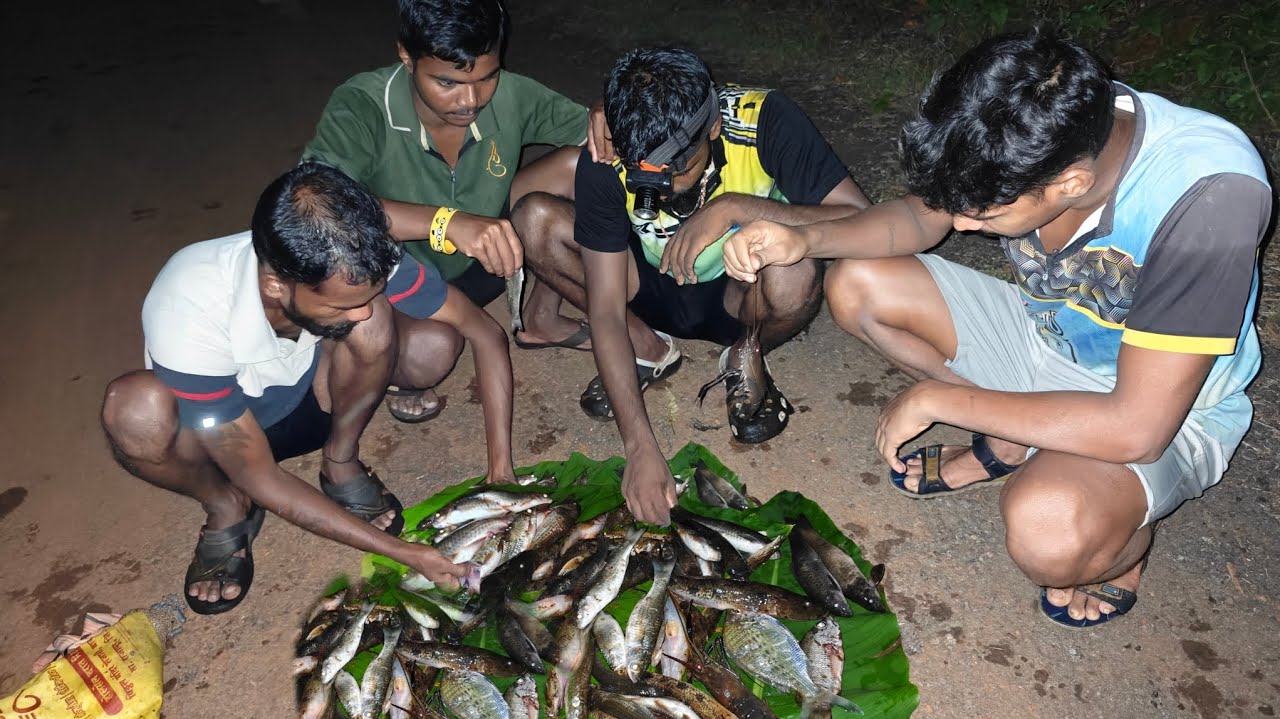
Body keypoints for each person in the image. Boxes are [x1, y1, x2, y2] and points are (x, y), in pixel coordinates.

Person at [722, 28, 1271, 628]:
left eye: (980, 216)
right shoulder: (1030, 119)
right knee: (856, 284)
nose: (959, 224)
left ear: (1071, 185)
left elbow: (1136, 427)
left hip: (1165, 405)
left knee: (1048, 531)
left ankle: (1118, 553)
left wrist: (950, 398)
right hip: (1045, 336)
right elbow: (916, 218)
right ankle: (1016, 435)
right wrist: (803, 237)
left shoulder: (1209, 196)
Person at [99, 162, 520, 614]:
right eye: (341, 304)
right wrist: (404, 552)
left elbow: (483, 332)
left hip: (312, 400)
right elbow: (257, 472)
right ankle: (224, 507)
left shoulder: (358, 259)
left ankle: (340, 459)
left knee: (379, 321)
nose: (356, 311)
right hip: (215, 439)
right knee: (134, 411)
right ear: (275, 285)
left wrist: (501, 472)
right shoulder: (187, 304)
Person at [511, 47, 871, 524]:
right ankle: (649, 348)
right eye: (646, 177)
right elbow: (603, 309)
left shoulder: (765, 119)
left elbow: (859, 218)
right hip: (645, 289)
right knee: (534, 219)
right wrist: (639, 445)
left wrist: (736, 208)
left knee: (796, 267)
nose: (664, 191)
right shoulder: (614, 145)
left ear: (714, 126)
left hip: (740, 294)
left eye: (680, 169)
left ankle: (745, 351)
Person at [303, 0, 609, 423]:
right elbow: (315, 201)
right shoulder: (362, 105)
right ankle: (370, 351)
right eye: (447, 82)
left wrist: (604, 110)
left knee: (587, 166)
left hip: (490, 255)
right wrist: (446, 223)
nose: (471, 100)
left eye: (487, 77)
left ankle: (541, 316)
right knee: (431, 354)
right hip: (401, 276)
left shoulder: (511, 93)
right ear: (406, 57)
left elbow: (599, 133)